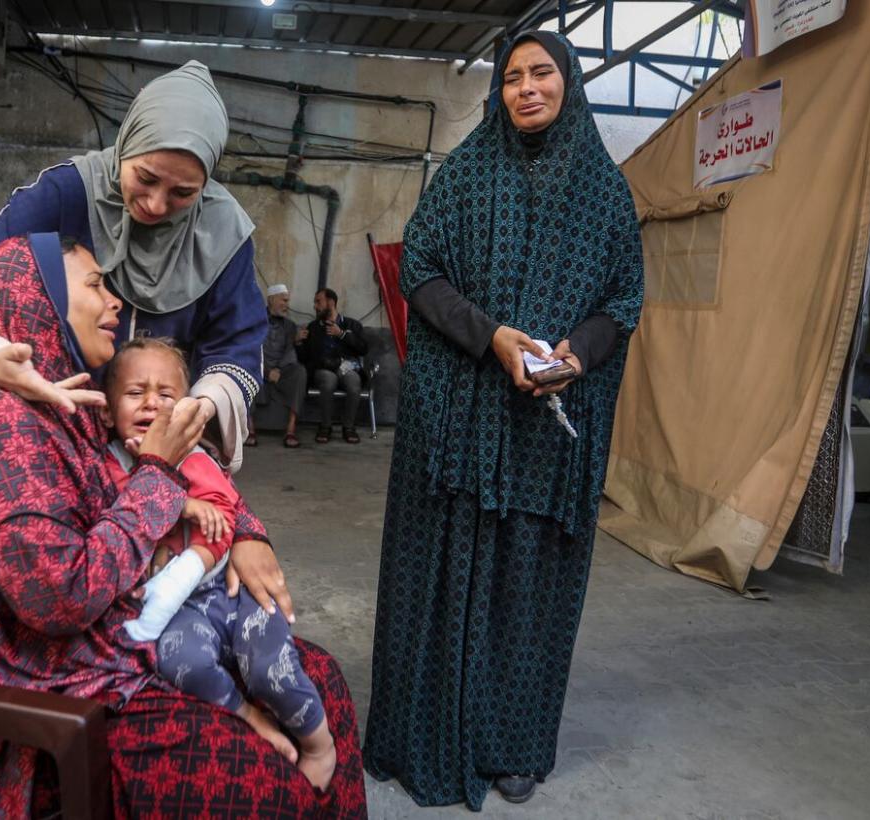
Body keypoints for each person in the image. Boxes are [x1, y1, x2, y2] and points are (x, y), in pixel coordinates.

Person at [0, 234, 366, 817]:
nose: (114, 300)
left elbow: (192, 476)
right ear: (37, 298)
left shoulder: (69, 403)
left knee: (323, 683)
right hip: (36, 700)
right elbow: (62, 597)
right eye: (94, 284)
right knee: (271, 780)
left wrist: (242, 528)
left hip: (108, 645)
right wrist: (158, 475)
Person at [362, 31, 644, 810]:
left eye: (541, 73)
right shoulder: (465, 174)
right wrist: (491, 337)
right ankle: (415, 731)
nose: (526, 88)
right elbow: (419, 268)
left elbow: (622, 301)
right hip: (457, 420)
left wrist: (576, 357)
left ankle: (515, 748)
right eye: (513, 76)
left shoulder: (605, 192)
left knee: (528, 583)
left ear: (569, 81)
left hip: (542, 434)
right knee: (439, 574)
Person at [0, 60, 264, 475]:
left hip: (162, 452)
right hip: (51, 436)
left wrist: (199, 408)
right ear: (126, 144)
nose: (157, 205)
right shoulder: (67, 194)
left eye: (184, 193)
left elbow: (238, 346)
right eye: (145, 177)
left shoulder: (224, 234)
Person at [102, 337, 337, 790]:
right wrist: (181, 505)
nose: (152, 402)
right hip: (182, 607)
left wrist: (189, 501)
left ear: (187, 408)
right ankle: (241, 711)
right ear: (108, 411)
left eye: (166, 395)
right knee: (179, 661)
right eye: (135, 393)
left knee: (271, 668)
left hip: (231, 589)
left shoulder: (195, 457)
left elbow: (223, 508)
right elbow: (116, 516)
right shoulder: (107, 466)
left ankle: (318, 744)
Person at [296, 288, 369, 444]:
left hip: (348, 367)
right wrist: (298, 342)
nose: (315, 306)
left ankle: (348, 427)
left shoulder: (352, 324)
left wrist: (341, 334)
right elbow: (304, 357)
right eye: (315, 302)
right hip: (324, 368)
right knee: (328, 382)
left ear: (331, 302)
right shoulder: (313, 328)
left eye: (318, 302)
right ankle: (325, 426)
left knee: (354, 384)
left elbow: (363, 348)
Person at [247, 283, 308, 448]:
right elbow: (251, 349)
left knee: (300, 372)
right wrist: (267, 371)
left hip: (281, 370)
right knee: (244, 370)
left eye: (287, 301)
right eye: (283, 300)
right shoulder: (256, 322)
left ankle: (290, 429)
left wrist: (278, 369)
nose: (286, 305)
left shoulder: (289, 325)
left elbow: (289, 350)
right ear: (271, 300)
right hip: (259, 368)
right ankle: (249, 429)